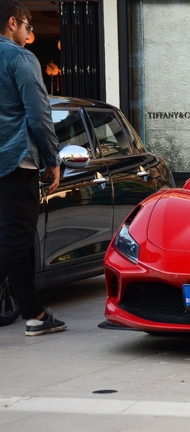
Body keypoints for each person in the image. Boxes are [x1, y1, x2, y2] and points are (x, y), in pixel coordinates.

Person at [0, 0, 66, 336]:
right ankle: (35, 314)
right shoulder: (20, 58)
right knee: (17, 237)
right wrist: (52, 160)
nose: (31, 32)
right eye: (28, 26)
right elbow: (39, 115)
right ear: (12, 23)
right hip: (15, 160)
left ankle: (35, 315)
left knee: (19, 242)